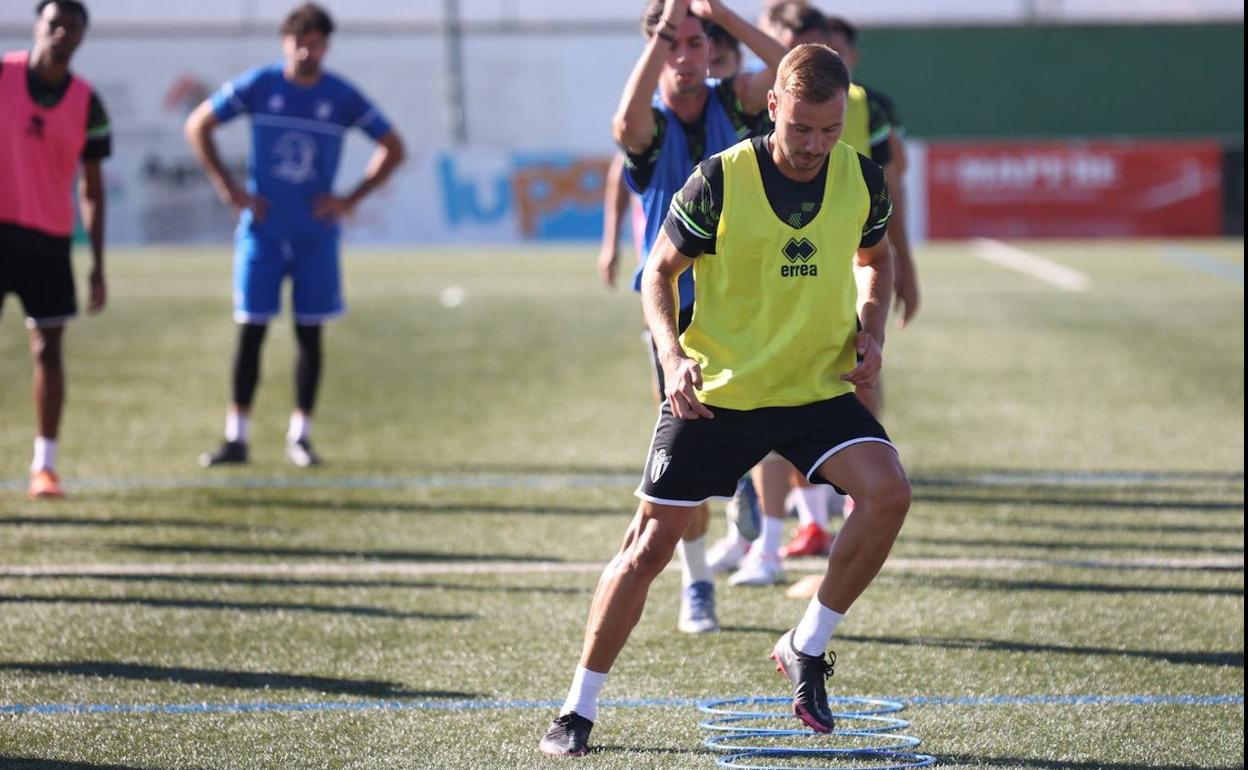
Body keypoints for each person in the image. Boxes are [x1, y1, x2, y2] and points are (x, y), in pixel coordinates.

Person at [539, 44, 911, 757]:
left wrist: (870, 326)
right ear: (772, 105)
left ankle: (808, 644)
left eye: (830, 131)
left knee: (890, 493)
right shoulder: (719, 180)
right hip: (719, 393)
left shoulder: (861, 178)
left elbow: (877, 258)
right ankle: (578, 707)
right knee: (650, 546)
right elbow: (657, 273)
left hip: (813, 390)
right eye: (801, 128)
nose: (814, 146)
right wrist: (673, 355)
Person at [603, 0, 786, 636]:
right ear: (655, 56)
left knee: (768, 422)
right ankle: (698, 581)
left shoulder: (733, 104)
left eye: (694, 44)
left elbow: (791, 69)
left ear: (709, 50)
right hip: (674, 316)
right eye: (671, 46)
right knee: (683, 458)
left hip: (746, 303)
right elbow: (622, 121)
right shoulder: (650, 130)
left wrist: (720, 16)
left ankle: (744, 487)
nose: (685, 58)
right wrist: (664, 27)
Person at [186, 3, 404, 468]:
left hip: (315, 236)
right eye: (299, 40)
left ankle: (300, 436)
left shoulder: (340, 96)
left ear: (327, 45)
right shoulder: (261, 86)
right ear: (284, 42)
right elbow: (198, 124)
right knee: (251, 331)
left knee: (310, 334)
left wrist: (350, 198)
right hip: (262, 233)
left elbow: (393, 146)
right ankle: (237, 437)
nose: (307, 49)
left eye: (316, 42)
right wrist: (228, 186)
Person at [1, 0, 109, 500]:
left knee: (49, 348)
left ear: (83, 37)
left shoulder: (88, 102)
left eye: (72, 27)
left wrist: (98, 265)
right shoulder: (2, 75)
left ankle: (44, 466)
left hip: (47, 239)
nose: (62, 33)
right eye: (54, 24)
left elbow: (91, 188)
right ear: (37, 27)